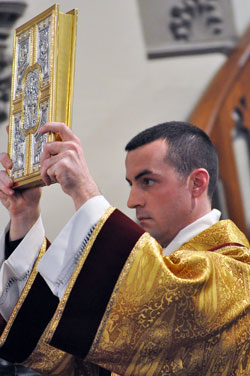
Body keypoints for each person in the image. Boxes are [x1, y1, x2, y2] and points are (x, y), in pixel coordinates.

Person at [0, 120, 249, 376]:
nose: (132, 201)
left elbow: (167, 298)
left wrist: (83, 190)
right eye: (131, 184)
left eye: (148, 182)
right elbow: (67, 354)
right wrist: (25, 215)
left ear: (197, 183)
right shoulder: (156, 264)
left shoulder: (238, 273)